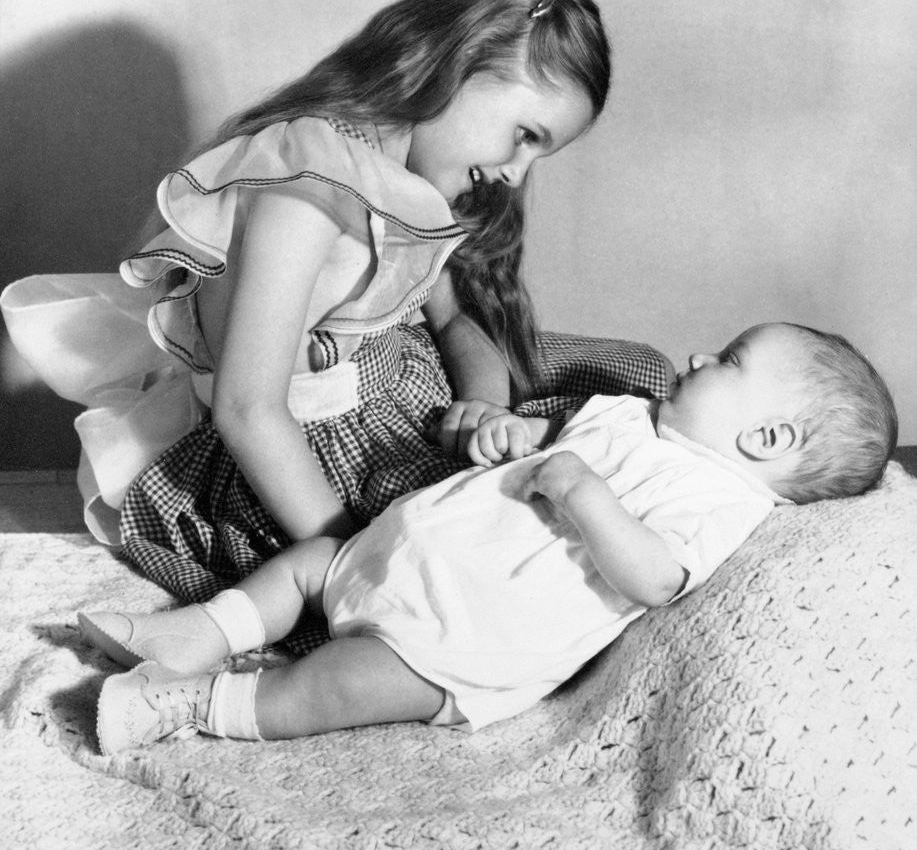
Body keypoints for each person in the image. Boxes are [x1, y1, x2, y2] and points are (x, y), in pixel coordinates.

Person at [1, 0, 671, 609]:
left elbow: (457, 320)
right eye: (524, 135)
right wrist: (360, 562)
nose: (516, 173)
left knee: (644, 378)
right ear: (458, 62)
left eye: (538, 153)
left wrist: (484, 404)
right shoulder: (307, 184)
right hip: (299, 455)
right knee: (485, 557)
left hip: (405, 385)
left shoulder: (416, 174)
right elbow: (247, 411)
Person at [80, 321, 896, 753]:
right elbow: (533, 452)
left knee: (331, 686)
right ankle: (193, 633)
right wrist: (508, 438)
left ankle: (187, 703)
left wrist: (582, 491)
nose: (694, 353)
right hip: (390, 552)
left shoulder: (718, 499)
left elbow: (652, 577)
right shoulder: (628, 414)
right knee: (305, 567)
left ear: (767, 441)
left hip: (453, 639)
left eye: (727, 358)